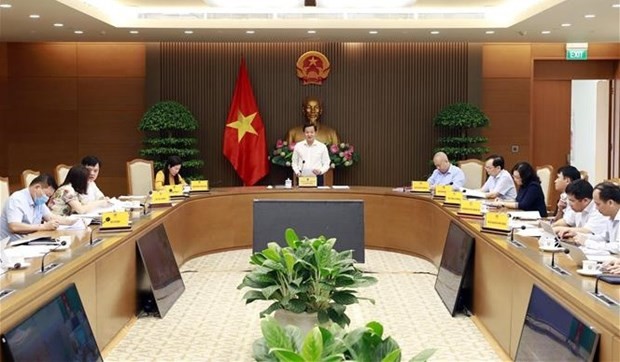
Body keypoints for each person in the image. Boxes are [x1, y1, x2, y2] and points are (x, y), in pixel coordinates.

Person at [0, 174, 74, 241]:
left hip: (31, 240)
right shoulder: (17, 199)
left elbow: (50, 217)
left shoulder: (38, 200)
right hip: (11, 246)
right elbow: (14, 227)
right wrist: (44, 227)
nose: (47, 199)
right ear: (37, 187)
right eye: (47, 195)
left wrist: (71, 222)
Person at [572, 182, 620, 254]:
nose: (596, 208)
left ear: (610, 203)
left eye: (598, 204)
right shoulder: (610, 217)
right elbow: (604, 238)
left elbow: (618, 247)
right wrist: (579, 235)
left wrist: (587, 242)